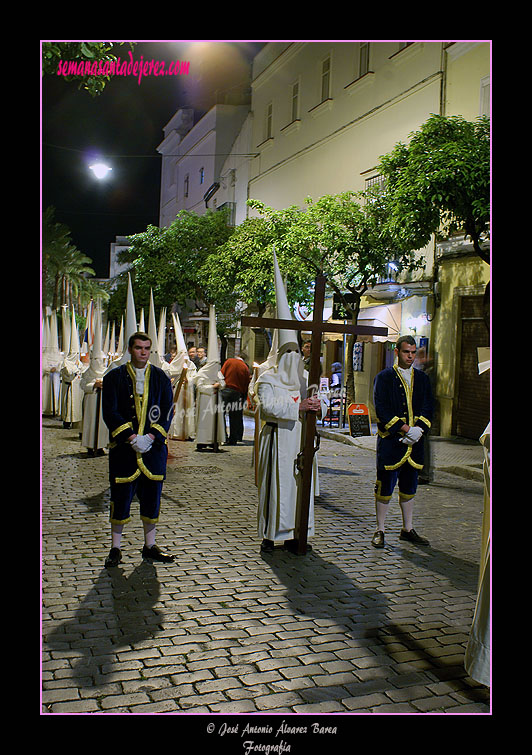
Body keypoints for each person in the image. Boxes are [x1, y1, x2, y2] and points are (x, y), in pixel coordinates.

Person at [255, 250, 323, 554]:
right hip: (277, 439)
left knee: (299, 489)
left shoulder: (305, 378)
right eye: (289, 354)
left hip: (300, 441)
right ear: (280, 356)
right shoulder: (266, 378)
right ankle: (271, 535)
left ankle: (299, 534)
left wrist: (317, 408)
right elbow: (267, 408)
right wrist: (299, 408)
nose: (294, 359)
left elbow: (316, 404)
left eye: (298, 353)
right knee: (276, 490)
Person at [101, 332, 175, 567]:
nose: (143, 352)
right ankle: (115, 548)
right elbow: (110, 412)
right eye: (138, 348)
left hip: (153, 450)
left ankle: (150, 545)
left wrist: (151, 436)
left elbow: (166, 410)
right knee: (120, 498)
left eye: (147, 348)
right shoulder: (114, 377)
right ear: (130, 349)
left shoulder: (161, 378)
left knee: (152, 497)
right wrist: (131, 437)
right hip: (124, 449)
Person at [371, 335, 433, 548]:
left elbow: (428, 407)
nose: (410, 356)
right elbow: (381, 408)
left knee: (410, 486)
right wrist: (405, 429)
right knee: (385, 486)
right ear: (397, 352)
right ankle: (380, 529)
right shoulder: (384, 377)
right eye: (407, 352)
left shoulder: (423, 379)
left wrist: (419, 430)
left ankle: (407, 528)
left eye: (413, 352)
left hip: (415, 443)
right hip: (392, 442)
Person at [220, 355, 252, 445]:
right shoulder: (245, 367)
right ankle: (233, 438)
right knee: (235, 416)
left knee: (221, 414)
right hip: (237, 393)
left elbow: (221, 374)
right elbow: (246, 384)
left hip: (226, 390)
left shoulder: (229, 361)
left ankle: (223, 436)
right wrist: (244, 398)